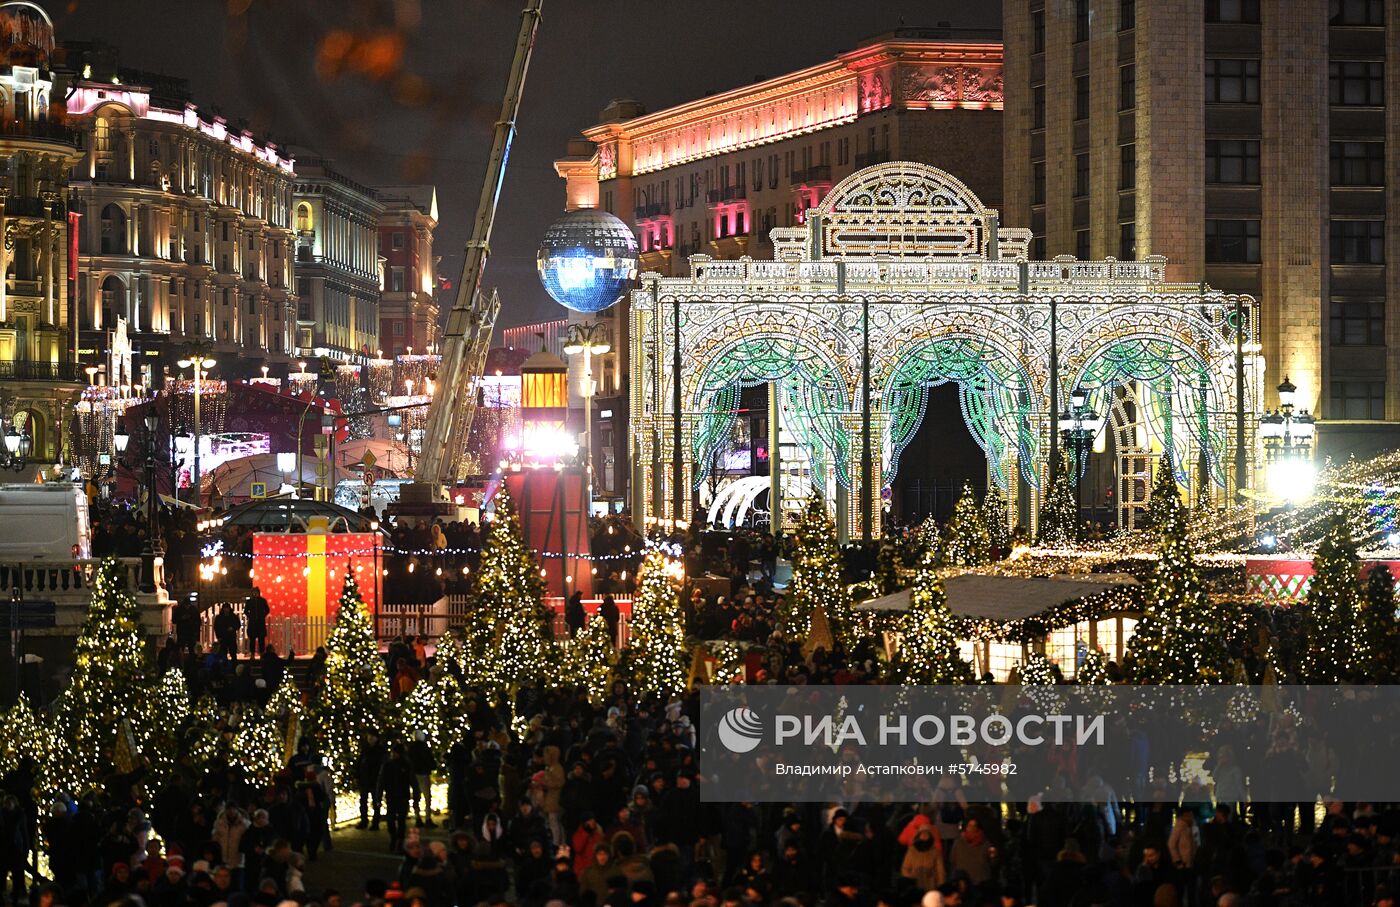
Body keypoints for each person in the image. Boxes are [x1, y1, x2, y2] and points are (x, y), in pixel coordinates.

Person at [379, 744, 414, 853]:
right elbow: (381, 781)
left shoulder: (405, 764)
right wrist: (378, 796)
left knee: (400, 820)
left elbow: (412, 779)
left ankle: (398, 841)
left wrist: (416, 794)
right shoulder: (388, 765)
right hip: (393, 796)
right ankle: (395, 838)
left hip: (400, 796)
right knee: (393, 820)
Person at [245, 587, 270, 657]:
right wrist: (250, 616)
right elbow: (246, 611)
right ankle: (252, 654)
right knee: (252, 639)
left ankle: (262, 654)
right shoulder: (249, 601)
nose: (255, 594)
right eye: (254, 592)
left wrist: (262, 616)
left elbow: (267, 610)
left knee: (261, 639)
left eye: (256, 592)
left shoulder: (262, 601)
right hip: (252, 623)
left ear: (259, 593)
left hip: (260, 623)